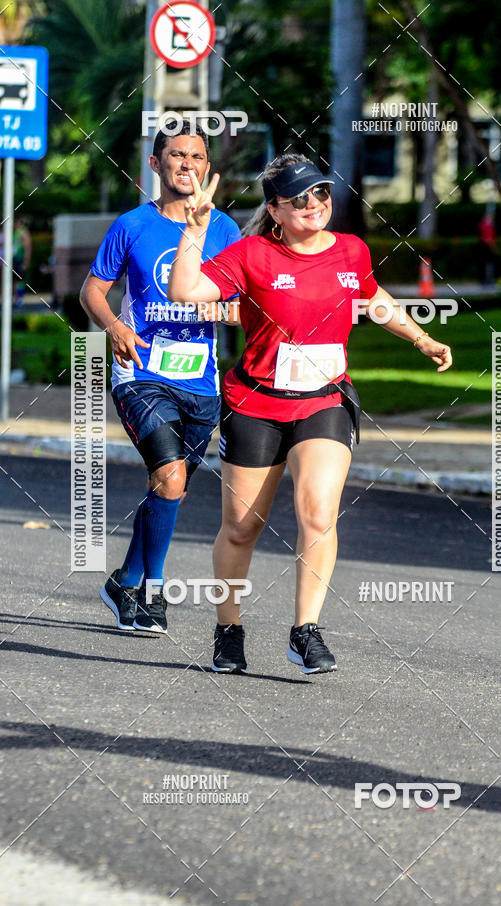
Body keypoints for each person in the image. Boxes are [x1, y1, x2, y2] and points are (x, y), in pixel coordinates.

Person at [168, 153, 452, 674]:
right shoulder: (252, 254)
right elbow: (185, 293)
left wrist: (420, 337)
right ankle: (228, 629)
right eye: (298, 198)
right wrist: (195, 229)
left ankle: (305, 631)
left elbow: (372, 296)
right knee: (241, 527)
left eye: (320, 192)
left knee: (318, 514)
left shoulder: (350, 250)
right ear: (275, 210)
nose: (314, 203)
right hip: (255, 404)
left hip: (325, 400)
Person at [80, 121, 241, 634]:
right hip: (141, 372)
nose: (187, 164)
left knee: (170, 488)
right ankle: (152, 590)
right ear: (156, 164)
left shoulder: (224, 230)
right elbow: (91, 290)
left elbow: (241, 302)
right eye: (176, 155)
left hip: (201, 381)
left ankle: (123, 581)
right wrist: (113, 327)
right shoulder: (132, 225)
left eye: (197, 156)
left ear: (207, 167)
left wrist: (226, 311)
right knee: (170, 478)